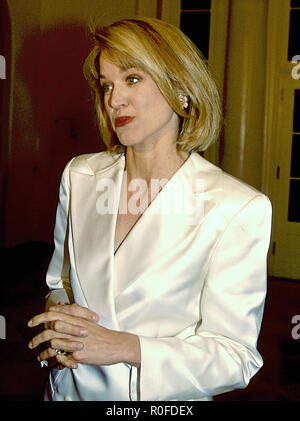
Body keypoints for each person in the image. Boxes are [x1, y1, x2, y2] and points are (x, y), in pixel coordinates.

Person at [27, 17, 272, 401]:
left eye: (133, 79)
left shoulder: (237, 208)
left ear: (182, 90)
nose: (113, 100)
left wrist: (125, 347)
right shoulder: (81, 176)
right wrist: (62, 320)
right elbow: (62, 285)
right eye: (106, 85)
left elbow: (235, 356)